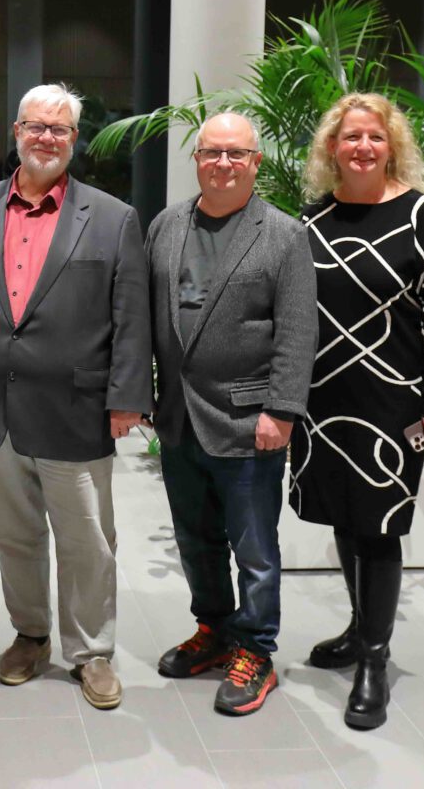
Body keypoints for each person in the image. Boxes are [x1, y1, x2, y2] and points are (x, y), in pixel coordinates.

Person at [0, 82, 152, 711]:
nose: (46, 138)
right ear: (16, 132)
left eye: (59, 129)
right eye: (35, 126)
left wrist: (127, 397)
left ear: (74, 139)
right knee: (13, 534)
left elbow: (131, 316)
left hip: (75, 408)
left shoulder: (112, 217)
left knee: (87, 539)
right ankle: (30, 635)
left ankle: (93, 653)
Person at [290, 92, 424, 730]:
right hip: (323, 398)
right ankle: (360, 629)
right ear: (331, 149)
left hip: (393, 398)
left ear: (392, 147)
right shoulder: (311, 220)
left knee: (381, 525)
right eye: (351, 137)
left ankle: (374, 661)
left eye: (375, 137)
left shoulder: (419, 215)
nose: (362, 147)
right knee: (343, 513)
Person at [145, 112, 317, 716]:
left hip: (249, 420)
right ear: (196, 158)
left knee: (254, 549)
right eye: (211, 152)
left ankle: (256, 650)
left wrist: (282, 410)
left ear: (255, 162)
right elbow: (147, 317)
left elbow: (297, 330)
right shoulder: (167, 225)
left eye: (235, 154)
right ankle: (214, 631)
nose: (223, 163)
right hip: (178, 416)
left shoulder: (283, 235)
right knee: (195, 539)